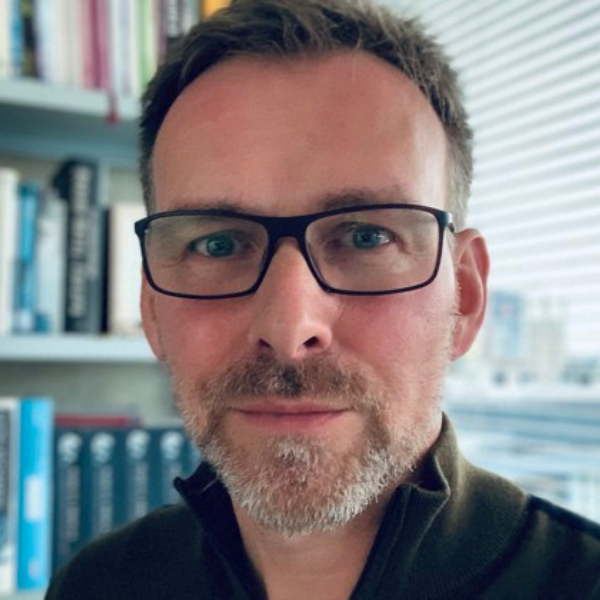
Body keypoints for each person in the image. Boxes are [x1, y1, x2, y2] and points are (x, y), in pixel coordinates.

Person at [46, 1, 600, 598]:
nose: (290, 327)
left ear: (464, 296)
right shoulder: (96, 584)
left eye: (366, 237)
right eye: (218, 243)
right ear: (152, 309)